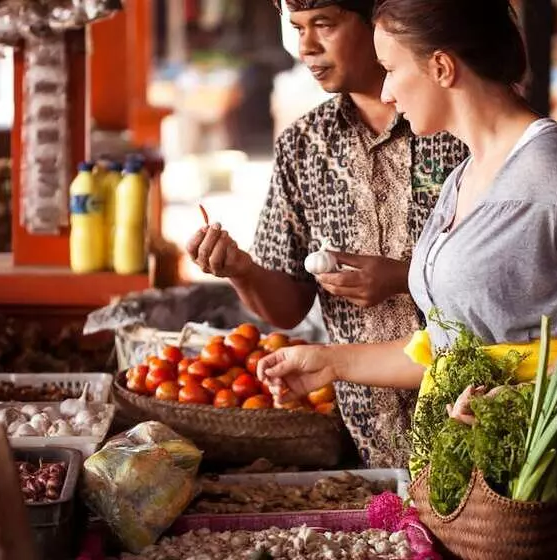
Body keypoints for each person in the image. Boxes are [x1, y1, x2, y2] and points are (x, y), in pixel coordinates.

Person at [257, 0, 557, 555]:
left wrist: (519, 404)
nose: (385, 93)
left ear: (441, 67)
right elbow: (453, 350)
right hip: (497, 499)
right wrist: (331, 363)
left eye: (392, 69)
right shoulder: (464, 177)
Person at [185, 0, 468, 468]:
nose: (306, 46)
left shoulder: (453, 125)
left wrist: (404, 277)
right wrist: (242, 271)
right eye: (296, 28)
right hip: (365, 442)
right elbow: (289, 308)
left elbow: (505, 284)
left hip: (469, 416)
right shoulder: (303, 146)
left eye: (324, 25)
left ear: (376, 23)